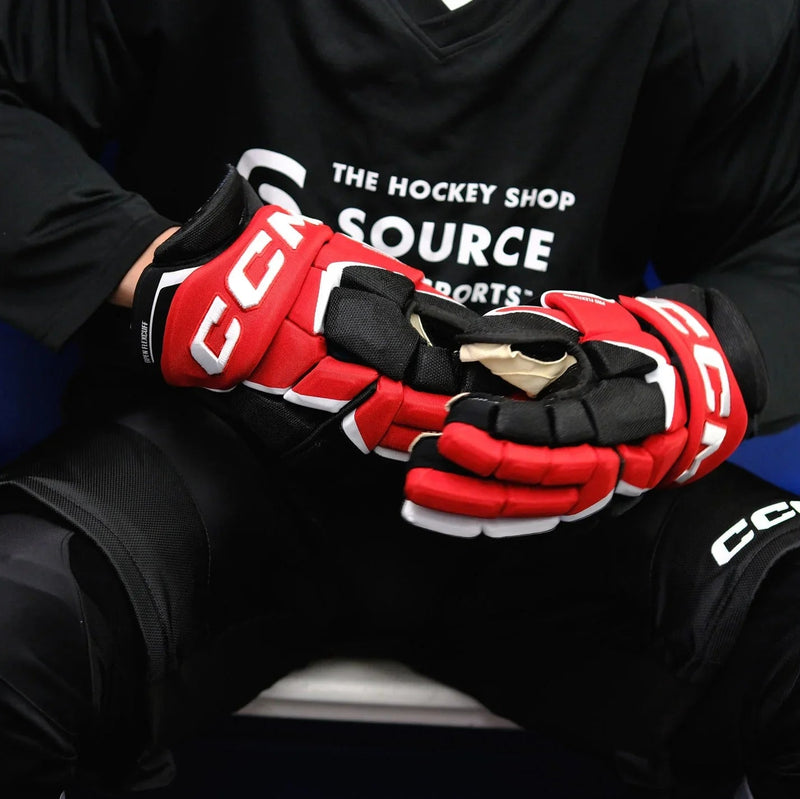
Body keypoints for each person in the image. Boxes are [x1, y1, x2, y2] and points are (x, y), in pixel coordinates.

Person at [1, 0, 799, 796]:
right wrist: (170, 269)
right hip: (216, 454)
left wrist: (706, 356)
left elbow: (783, 237)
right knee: (15, 624)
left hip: (563, 481)